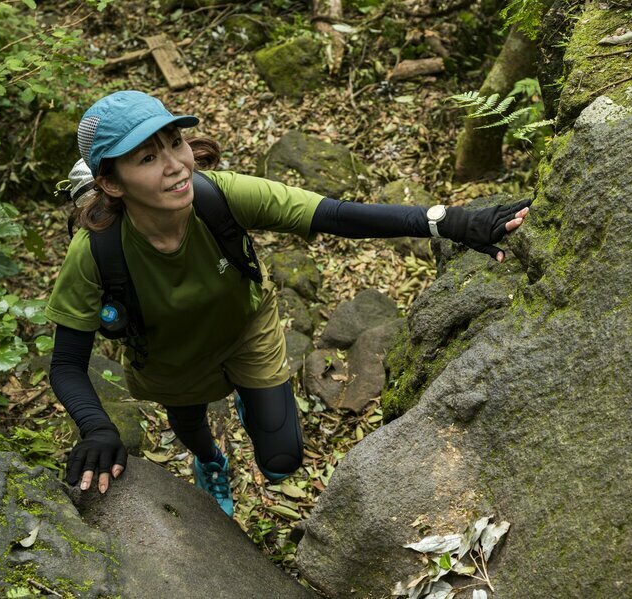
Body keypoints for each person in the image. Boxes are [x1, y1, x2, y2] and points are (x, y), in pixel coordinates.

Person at [47, 90, 531, 516]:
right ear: (112, 183)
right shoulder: (95, 252)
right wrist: (97, 429)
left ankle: (247, 394)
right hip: (171, 361)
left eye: (175, 142)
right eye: (147, 158)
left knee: (281, 460)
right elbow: (67, 364)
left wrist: (450, 221)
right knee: (192, 429)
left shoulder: (219, 196)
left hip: (245, 331)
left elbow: (336, 215)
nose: (176, 165)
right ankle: (210, 461)